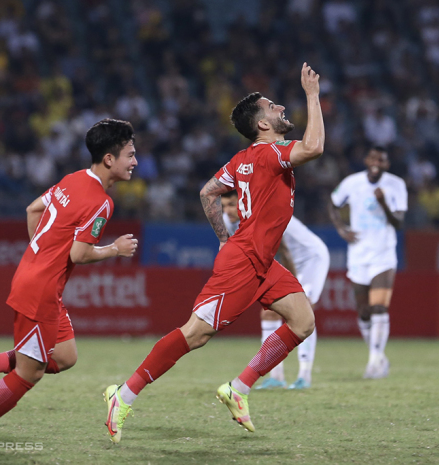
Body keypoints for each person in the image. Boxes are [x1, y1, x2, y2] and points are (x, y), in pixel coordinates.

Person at [103, 63, 324, 443]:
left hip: (259, 260)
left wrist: (223, 237)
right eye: (273, 107)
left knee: (302, 321)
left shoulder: (240, 161)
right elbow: (315, 146)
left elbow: (207, 191)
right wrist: (313, 95)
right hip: (244, 262)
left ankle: (239, 388)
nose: (281, 109)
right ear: (262, 125)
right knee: (195, 334)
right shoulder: (272, 154)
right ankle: (122, 395)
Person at [0, 119, 139, 450]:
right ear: (109, 159)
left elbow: (33, 208)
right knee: (28, 374)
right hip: (40, 291)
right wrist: (114, 250)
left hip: (37, 280)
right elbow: (79, 254)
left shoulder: (73, 179)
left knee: (65, 356)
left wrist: (43, 254)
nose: (135, 161)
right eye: (130, 154)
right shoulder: (101, 202)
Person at [221, 190, 330, 389]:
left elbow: (284, 250)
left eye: (231, 204)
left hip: (311, 258)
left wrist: (293, 290)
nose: (227, 210)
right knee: (268, 314)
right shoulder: (228, 221)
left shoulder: (262, 215)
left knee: (303, 312)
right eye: (224, 205)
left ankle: (304, 375)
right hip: (281, 261)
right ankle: (277, 376)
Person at [328, 147, 407, 379]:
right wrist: (341, 229)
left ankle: (374, 362)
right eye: (372, 158)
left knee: (379, 307)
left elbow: (399, 223)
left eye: (381, 160)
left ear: (387, 164)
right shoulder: (352, 183)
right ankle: (380, 357)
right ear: (366, 160)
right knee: (363, 311)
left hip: (383, 253)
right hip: (359, 253)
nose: (376, 163)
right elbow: (333, 204)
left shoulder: (396, 185)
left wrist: (383, 204)